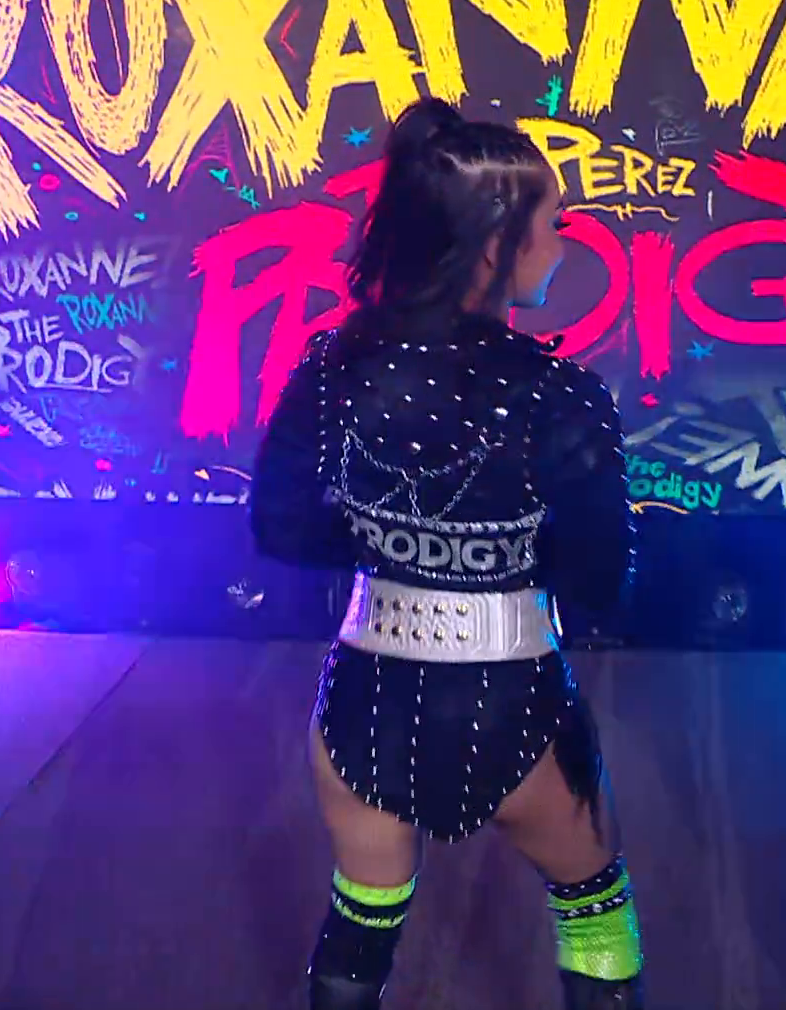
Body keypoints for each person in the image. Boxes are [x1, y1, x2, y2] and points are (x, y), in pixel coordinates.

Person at [250, 97, 643, 1010]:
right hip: (519, 702)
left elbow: (279, 529)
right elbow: (603, 577)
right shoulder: (561, 393)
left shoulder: (328, 368)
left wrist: (390, 544)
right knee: (594, 908)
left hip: (365, 703)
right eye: (553, 225)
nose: (562, 247)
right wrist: (512, 557)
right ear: (495, 242)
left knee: (363, 916)